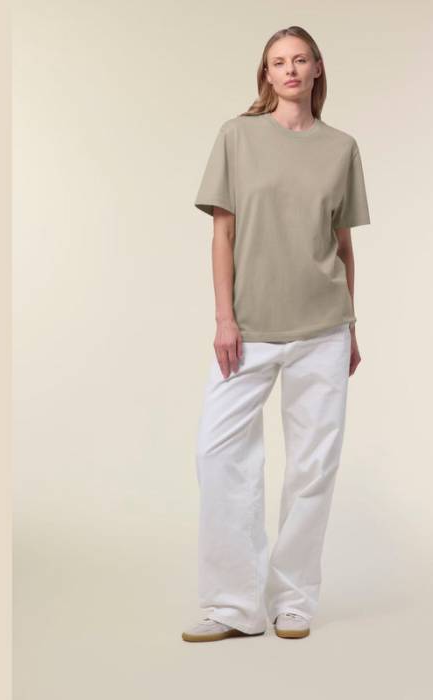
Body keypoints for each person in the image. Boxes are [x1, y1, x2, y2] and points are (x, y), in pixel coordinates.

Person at [182, 25, 371, 643]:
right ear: (266, 75)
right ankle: (233, 605)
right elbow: (222, 233)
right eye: (277, 62)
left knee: (312, 466)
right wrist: (224, 318)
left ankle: (293, 599)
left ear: (317, 68)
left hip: (324, 327)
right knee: (218, 453)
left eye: (299, 60)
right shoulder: (237, 136)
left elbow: (343, 247)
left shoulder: (341, 148)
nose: (289, 70)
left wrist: (351, 325)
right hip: (250, 328)